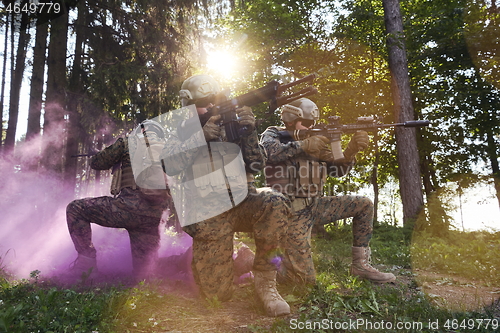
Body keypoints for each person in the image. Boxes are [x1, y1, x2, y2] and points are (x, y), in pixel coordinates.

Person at [161, 74, 292, 317]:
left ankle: (266, 285)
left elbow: (256, 165)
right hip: (208, 216)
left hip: (243, 203)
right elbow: (169, 165)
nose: (210, 107)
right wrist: (199, 138)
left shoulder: (231, 126)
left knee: (275, 201)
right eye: (204, 102)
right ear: (187, 105)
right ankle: (234, 259)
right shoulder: (180, 133)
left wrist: (250, 133)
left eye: (213, 101)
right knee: (216, 296)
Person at [260, 98, 396, 285]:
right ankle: (272, 266)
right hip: (290, 212)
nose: (311, 127)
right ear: (290, 120)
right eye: (307, 123)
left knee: (363, 205)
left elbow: (338, 170)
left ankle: (360, 266)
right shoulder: (273, 134)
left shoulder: (316, 142)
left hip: (315, 206)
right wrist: (303, 146)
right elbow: (269, 152)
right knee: (303, 282)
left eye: (313, 123)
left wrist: (351, 150)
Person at [66, 120, 171, 281]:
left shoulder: (129, 142)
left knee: (76, 208)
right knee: (144, 275)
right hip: (153, 219)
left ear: (141, 131)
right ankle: (180, 265)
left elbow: (96, 163)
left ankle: (86, 264)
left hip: (127, 209)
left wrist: (110, 156)